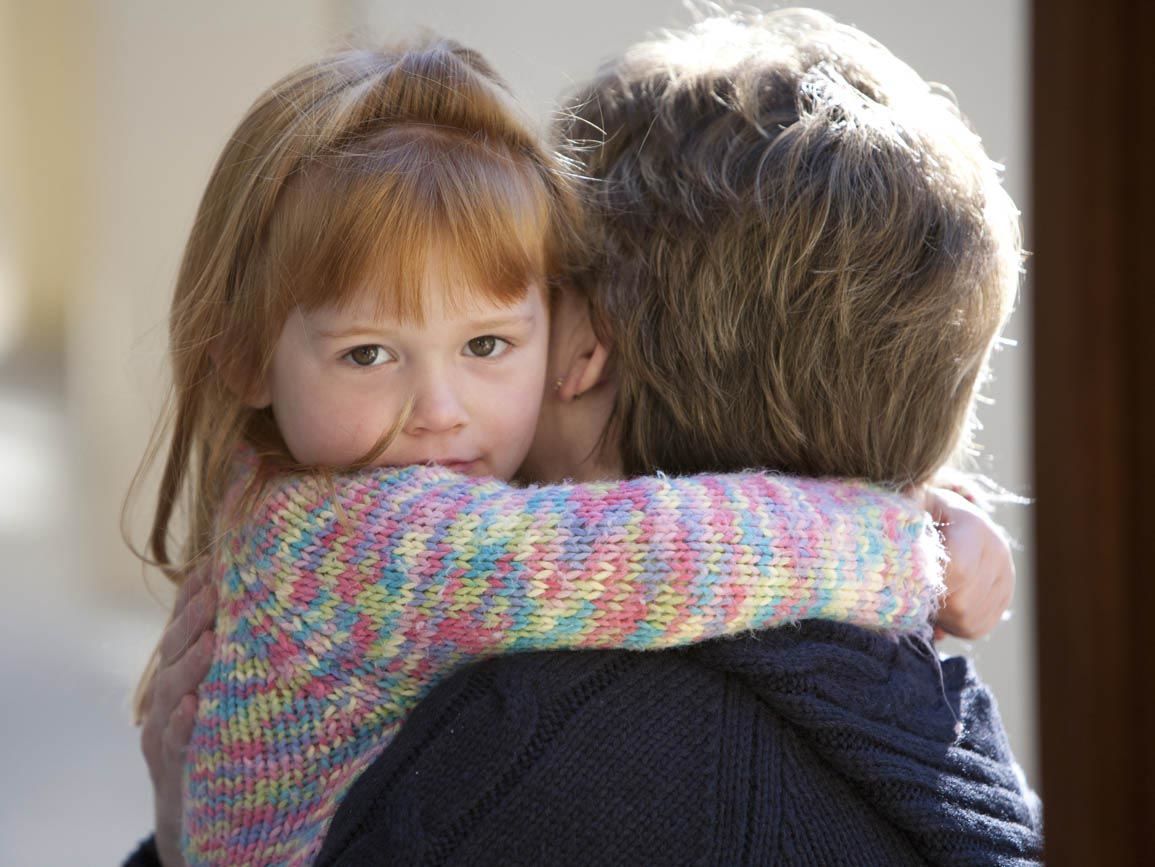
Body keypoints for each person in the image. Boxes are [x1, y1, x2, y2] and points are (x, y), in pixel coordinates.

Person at [121, 34, 1011, 867]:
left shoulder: (567, 747)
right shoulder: (360, 535)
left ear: (589, 337)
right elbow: (656, 554)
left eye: (489, 343)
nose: (439, 412)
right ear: (246, 358)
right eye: (368, 353)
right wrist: (906, 537)